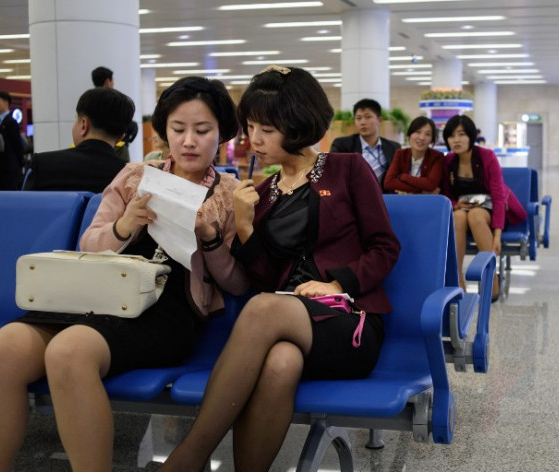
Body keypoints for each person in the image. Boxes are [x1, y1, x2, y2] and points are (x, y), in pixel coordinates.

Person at [0, 76, 249, 471]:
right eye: (177, 129)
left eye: (202, 131)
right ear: (162, 131)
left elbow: (238, 282)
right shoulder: (133, 176)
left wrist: (210, 241)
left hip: (167, 310)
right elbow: (89, 244)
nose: (189, 141)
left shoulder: (229, 194)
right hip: (98, 293)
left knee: (70, 351)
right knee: (6, 347)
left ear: (220, 133)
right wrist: (124, 226)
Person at [159, 66, 401, 472]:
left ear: (297, 124)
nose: (254, 139)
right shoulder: (263, 191)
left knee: (263, 307)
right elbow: (265, 277)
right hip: (288, 322)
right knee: (280, 363)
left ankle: (188, 458)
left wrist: (335, 283)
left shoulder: (348, 170)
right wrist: (246, 226)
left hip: (348, 320)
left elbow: (385, 247)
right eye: (251, 126)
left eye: (267, 129)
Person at [441, 114, 526, 301]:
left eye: (461, 134)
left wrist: (497, 235)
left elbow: (498, 195)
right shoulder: (448, 161)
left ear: (471, 136)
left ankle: (490, 277)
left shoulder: (487, 156)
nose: (456, 139)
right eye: (452, 135)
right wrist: (456, 205)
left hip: (487, 205)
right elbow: (446, 194)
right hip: (463, 206)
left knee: (475, 216)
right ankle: (457, 279)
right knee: (458, 217)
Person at [23, 87, 135, 193]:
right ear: (121, 137)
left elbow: (23, 208)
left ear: (84, 125)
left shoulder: (43, 164)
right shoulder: (130, 176)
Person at [329, 98, 401, 188]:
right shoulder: (343, 145)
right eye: (358, 118)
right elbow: (332, 170)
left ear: (379, 120)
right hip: (352, 196)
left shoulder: (393, 147)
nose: (362, 122)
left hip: (384, 197)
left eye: (368, 117)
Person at [383, 116, 445, 194]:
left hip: (426, 204)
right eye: (418, 132)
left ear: (432, 139)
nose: (422, 137)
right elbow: (388, 183)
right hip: (402, 202)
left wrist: (403, 177)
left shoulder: (437, 157)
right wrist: (422, 190)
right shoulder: (400, 154)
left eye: (427, 134)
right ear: (409, 134)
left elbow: (431, 184)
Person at [92, 65, 136, 162]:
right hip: (115, 146)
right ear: (108, 81)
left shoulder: (89, 100)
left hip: (94, 149)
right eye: (112, 81)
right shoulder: (113, 99)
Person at [0, 91, 25, 190]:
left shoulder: (11, 122)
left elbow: (17, 145)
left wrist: (20, 164)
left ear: (6, 102)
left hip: (9, 167)